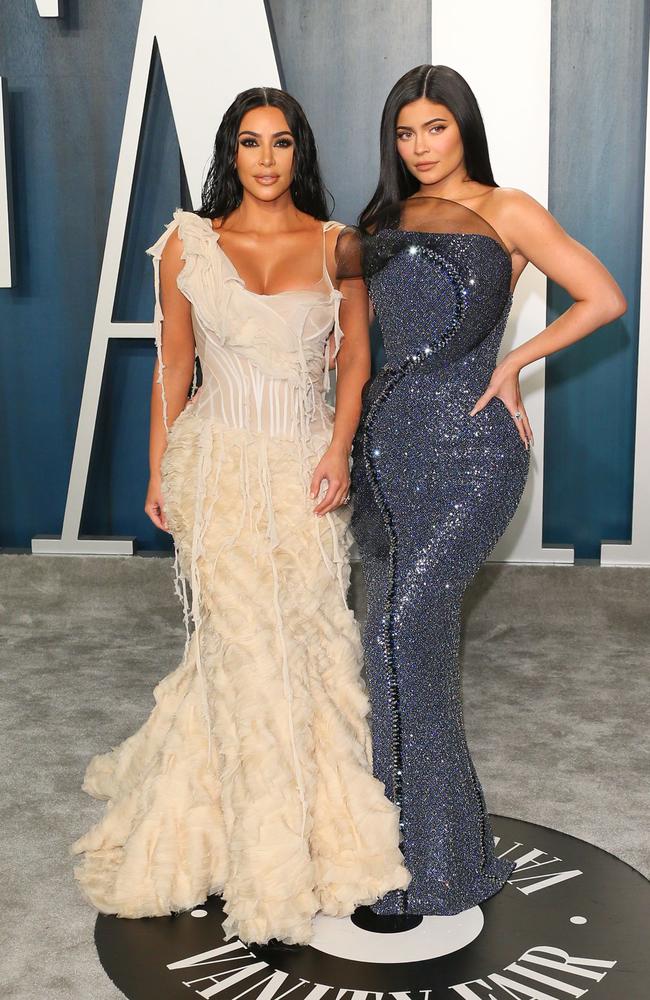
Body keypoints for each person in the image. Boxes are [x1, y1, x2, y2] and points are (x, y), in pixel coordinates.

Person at [70, 86, 410, 947]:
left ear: (301, 154)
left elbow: (357, 363)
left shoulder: (339, 247)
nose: (266, 159)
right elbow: (172, 370)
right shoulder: (188, 246)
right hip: (218, 467)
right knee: (241, 647)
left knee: (309, 647)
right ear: (231, 152)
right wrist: (160, 474)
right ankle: (260, 862)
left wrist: (336, 453)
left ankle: (327, 836)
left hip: (303, 471)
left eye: (282, 142)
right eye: (250, 143)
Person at [337, 64, 626, 920]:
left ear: (464, 128)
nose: (420, 146)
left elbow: (603, 297)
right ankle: (413, 849)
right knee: (382, 643)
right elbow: (352, 339)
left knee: (403, 629)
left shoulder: (510, 210)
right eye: (405, 131)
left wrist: (514, 361)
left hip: (473, 454)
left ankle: (441, 865)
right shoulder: (378, 221)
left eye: (436, 128)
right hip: (385, 452)